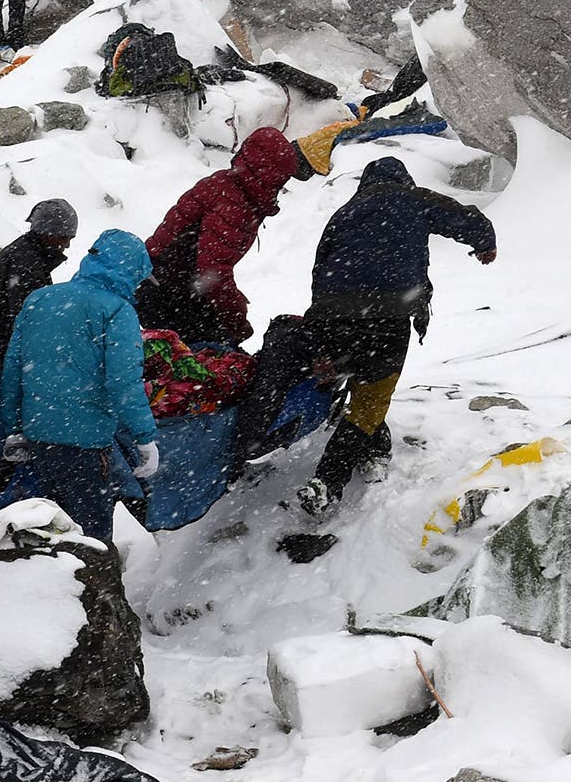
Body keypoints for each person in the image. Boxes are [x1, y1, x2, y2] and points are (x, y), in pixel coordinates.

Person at [235, 158, 497, 514]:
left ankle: (374, 447)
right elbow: (465, 218)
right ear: (403, 180)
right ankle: (327, 481)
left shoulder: (344, 213)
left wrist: (322, 328)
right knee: (371, 401)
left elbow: (320, 267)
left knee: (356, 375)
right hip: (387, 316)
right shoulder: (412, 198)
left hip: (332, 316)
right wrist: (485, 243)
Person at [0, 230, 159, 542]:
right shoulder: (116, 311)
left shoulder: (40, 299)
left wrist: (14, 427)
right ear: (130, 272)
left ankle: (52, 584)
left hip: (38, 439)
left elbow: (14, 369)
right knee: (90, 535)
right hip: (86, 443)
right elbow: (123, 382)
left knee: (45, 530)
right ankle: (96, 586)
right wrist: (144, 438)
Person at [136, 127, 308, 345]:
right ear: (269, 176)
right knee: (213, 359)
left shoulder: (228, 185)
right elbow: (212, 270)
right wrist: (235, 318)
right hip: (168, 293)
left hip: (159, 281)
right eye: (281, 180)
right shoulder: (234, 204)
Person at [0, 199, 79, 369]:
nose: (67, 244)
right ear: (47, 233)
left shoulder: (25, 253)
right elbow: (29, 321)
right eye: (64, 237)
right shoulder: (26, 264)